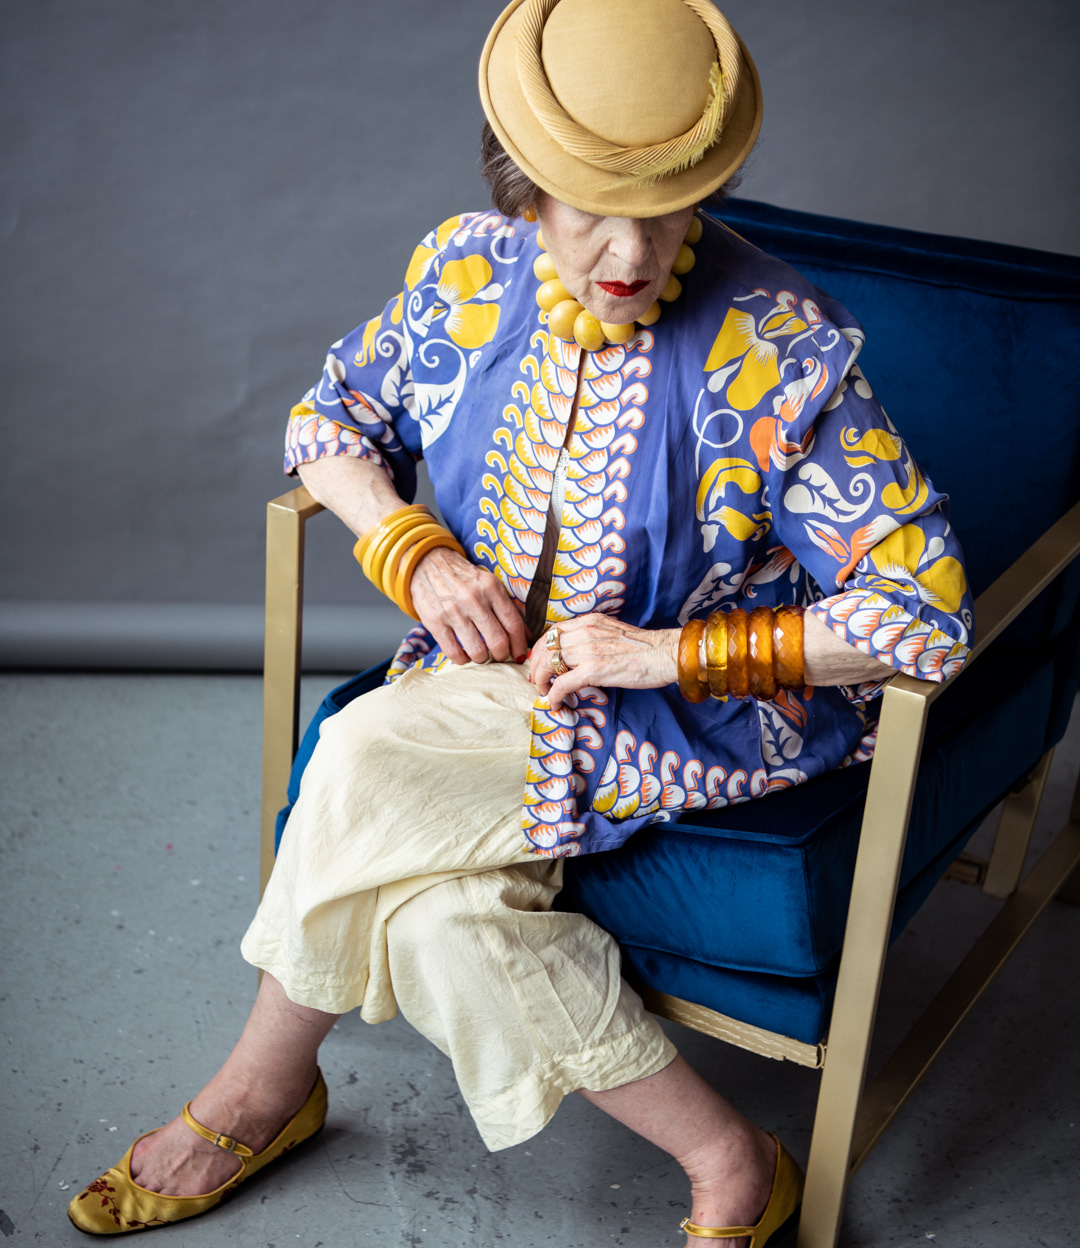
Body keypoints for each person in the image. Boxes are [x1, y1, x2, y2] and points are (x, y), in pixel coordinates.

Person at [68, 1, 973, 1244]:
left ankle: (260, 1090)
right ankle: (734, 1160)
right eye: (592, 207)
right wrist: (416, 551)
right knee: (441, 924)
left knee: (361, 752)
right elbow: (328, 426)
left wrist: (659, 653)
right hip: (482, 683)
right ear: (524, 184)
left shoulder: (778, 346)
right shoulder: (467, 273)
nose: (631, 251)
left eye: (668, 209)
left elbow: (923, 615)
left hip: (694, 712)